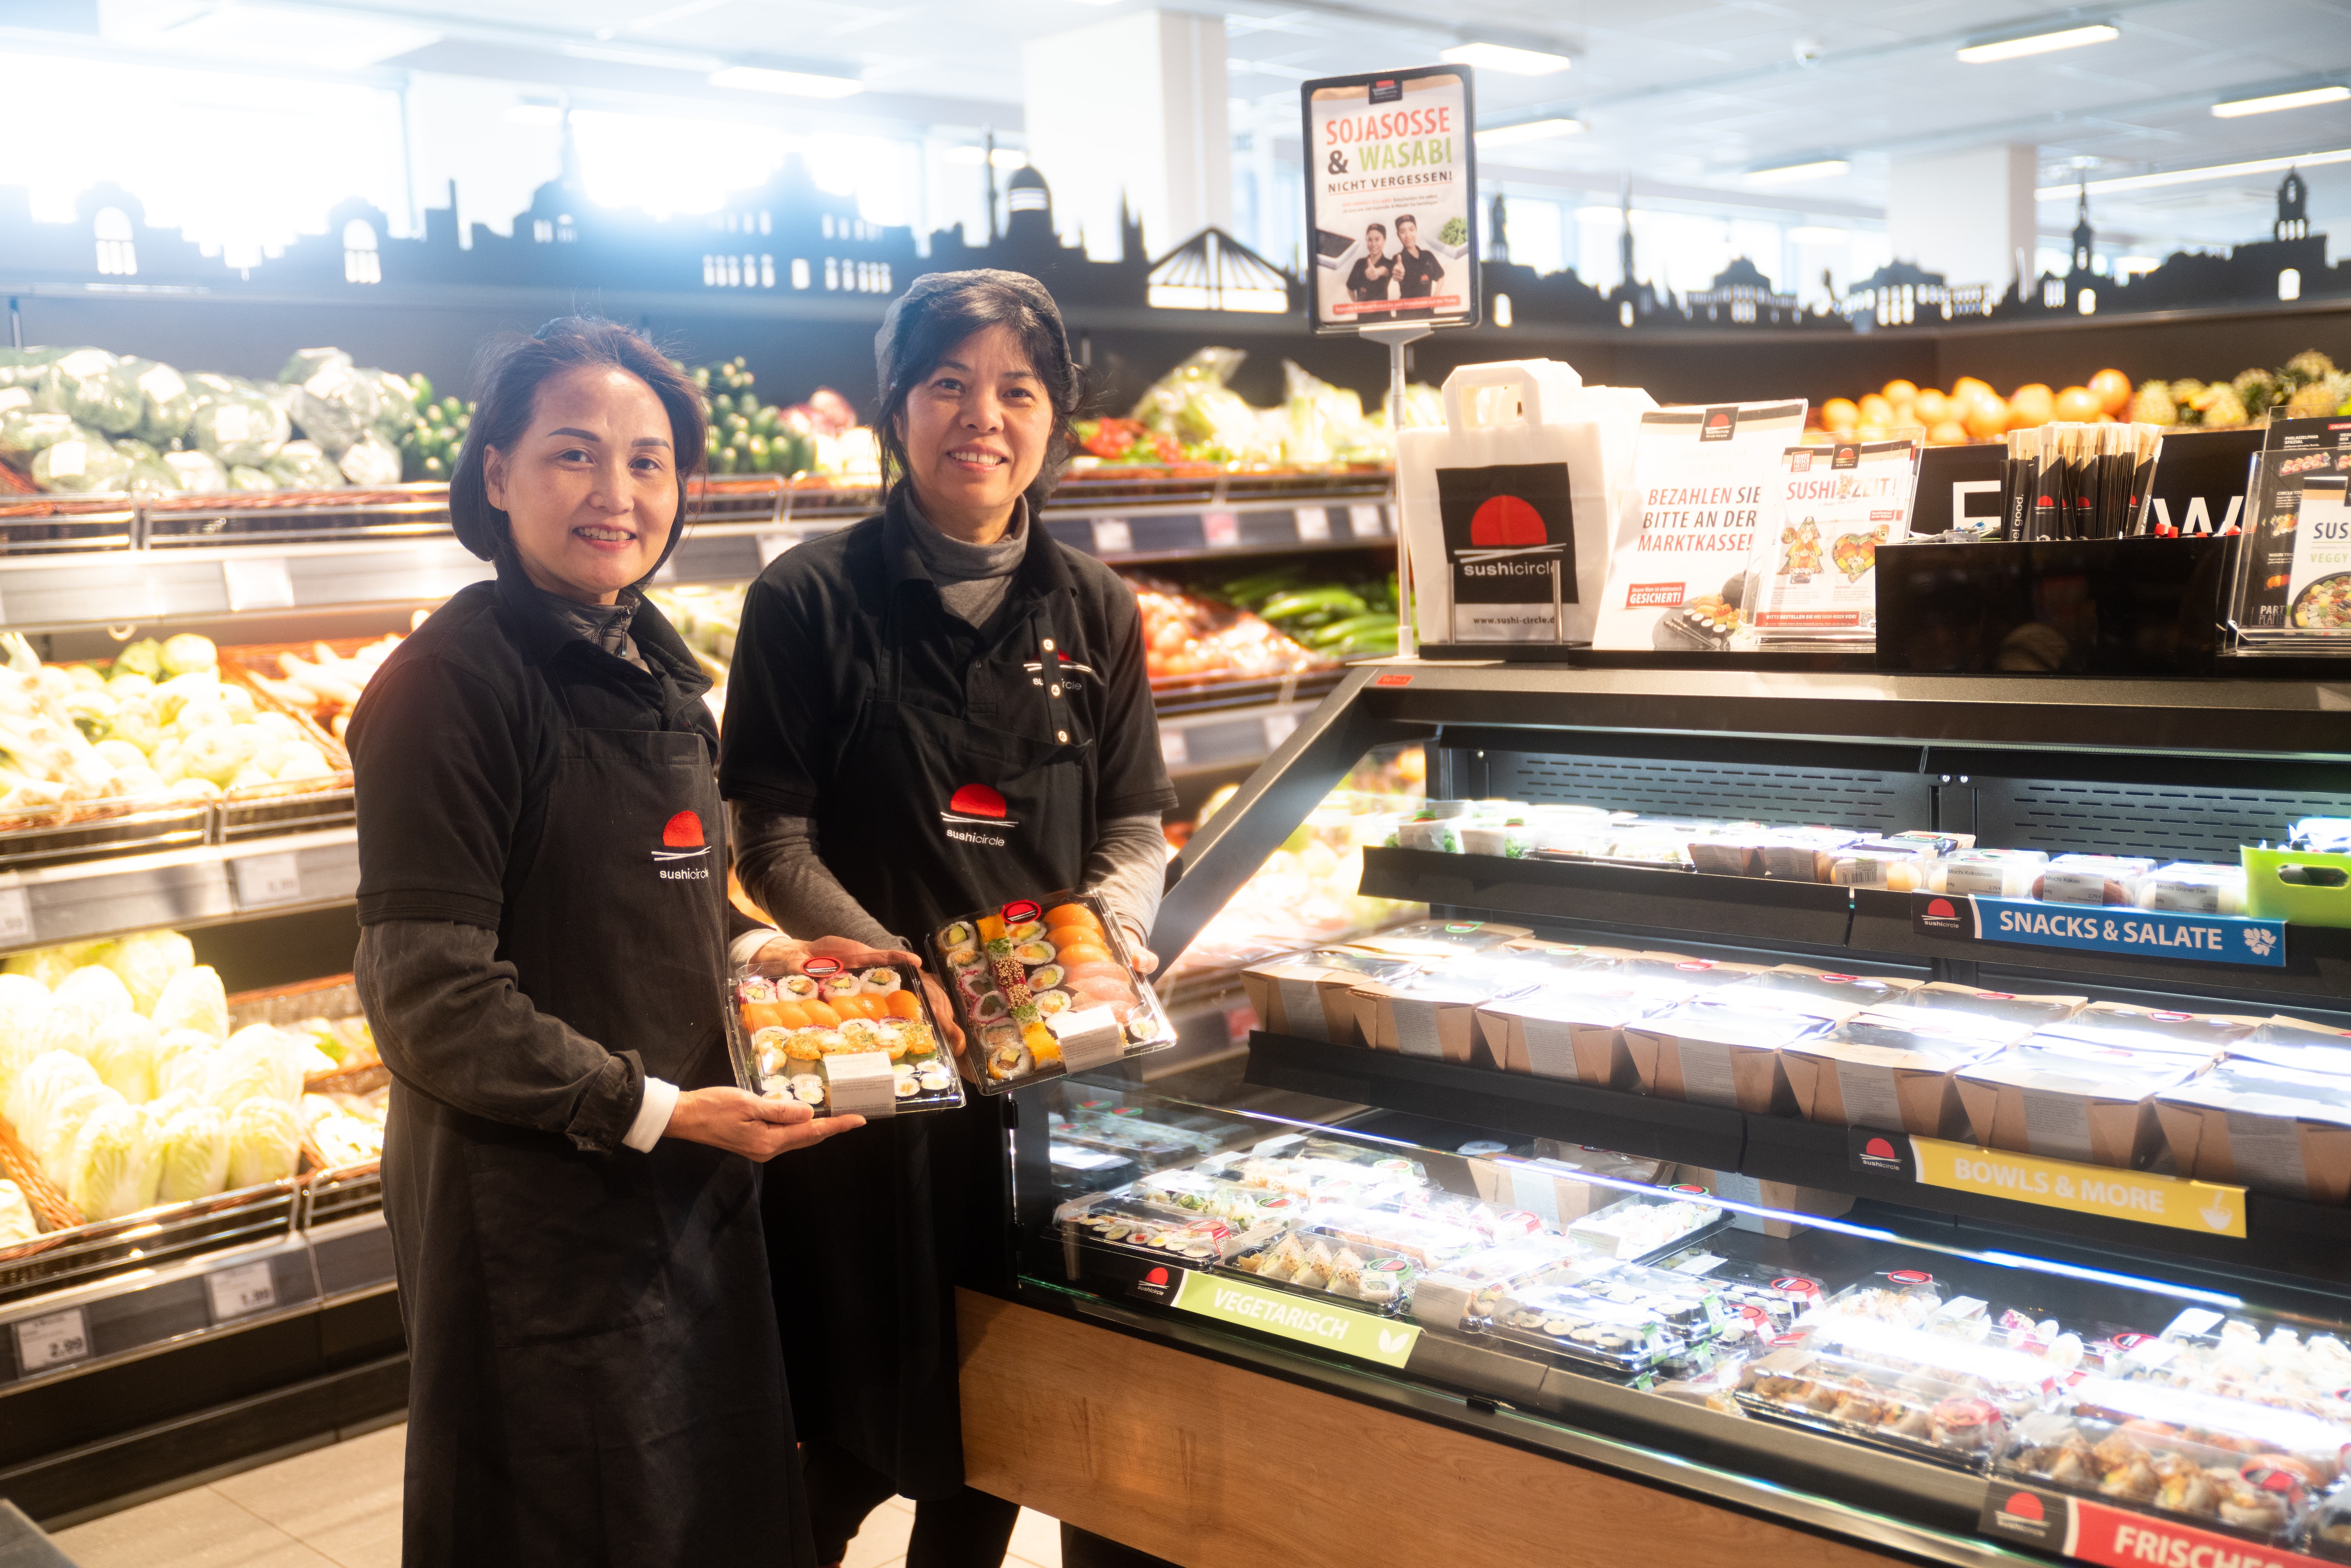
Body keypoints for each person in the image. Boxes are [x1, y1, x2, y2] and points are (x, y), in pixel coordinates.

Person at [349, 315, 900, 1567]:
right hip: (534, 1209)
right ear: (495, 475)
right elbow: (430, 992)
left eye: (649, 460)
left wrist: (765, 961)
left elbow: (657, 898)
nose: (618, 492)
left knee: (697, 1498)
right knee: (566, 1512)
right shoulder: (451, 684)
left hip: (677, 1177)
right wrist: (652, 1104)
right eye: (574, 454)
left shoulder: (655, 662)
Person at [719, 270, 1177, 1568]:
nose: (983, 414)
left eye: (1016, 389)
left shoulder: (1095, 605)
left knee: (1003, 1425)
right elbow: (773, 837)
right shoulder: (807, 598)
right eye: (949, 384)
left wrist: (1110, 936)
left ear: (1053, 419)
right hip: (871, 1081)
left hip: (1045, 1086)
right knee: (845, 1428)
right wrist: (892, 969)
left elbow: (1134, 823)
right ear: (898, 407)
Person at [1392, 213, 1446, 319]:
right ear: (1398, 235)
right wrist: (1397, 272)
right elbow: (1393, 270)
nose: (1408, 236)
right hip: (1406, 315)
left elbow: (1441, 276)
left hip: (1428, 313)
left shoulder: (1428, 256)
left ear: (1416, 230)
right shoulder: (1397, 259)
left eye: (1411, 230)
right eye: (1403, 232)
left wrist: (1437, 295)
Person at [1346, 221, 1396, 305]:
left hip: (1383, 315)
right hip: (1363, 316)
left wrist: (1378, 272)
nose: (1373, 244)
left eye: (1377, 240)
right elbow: (1350, 287)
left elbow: (1386, 270)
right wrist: (1356, 304)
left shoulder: (1389, 263)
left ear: (1384, 241)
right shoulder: (1360, 263)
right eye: (1370, 240)